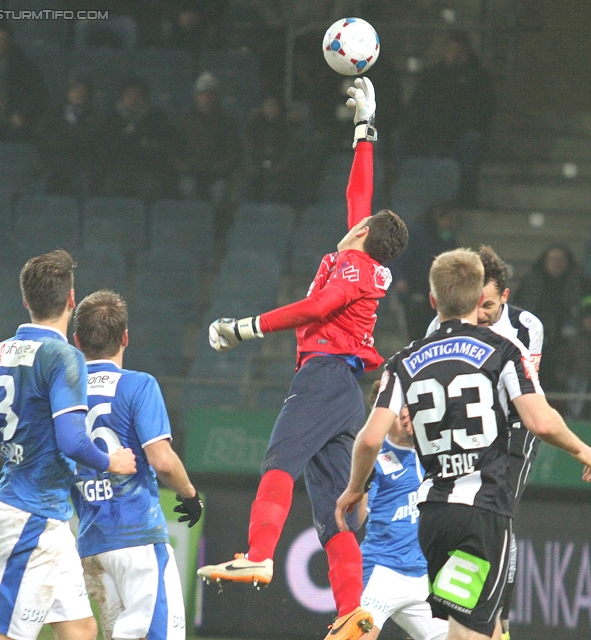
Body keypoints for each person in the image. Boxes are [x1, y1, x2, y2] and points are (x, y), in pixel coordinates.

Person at [196, 77, 409, 640]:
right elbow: (357, 195)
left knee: (279, 460)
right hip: (344, 392)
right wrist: (366, 132)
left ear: (363, 235)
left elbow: (321, 305)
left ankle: (260, 553)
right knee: (333, 511)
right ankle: (351, 613)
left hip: (322, 377)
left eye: (358, 222)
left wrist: (246, 327)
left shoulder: (355, 269)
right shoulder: (361, 257)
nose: (353, 218)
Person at [335, 248, 591, 640]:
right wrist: (580, 448)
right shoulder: (505, 350)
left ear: (432, 301)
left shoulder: (404, 359)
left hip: (434, 517)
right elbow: (540, 421)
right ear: (479, 299)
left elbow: (370, 437)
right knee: (472, 633)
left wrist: (354, 489)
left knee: (458, 631)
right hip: (482, 515)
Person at [0, 249, 136, 640]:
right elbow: (74, 441)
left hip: (47, 515)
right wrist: (112, 462)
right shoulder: (64, 357)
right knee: (9, 634)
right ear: (71, 299)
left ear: (26, 300)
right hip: (30, 516)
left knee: (80, 629)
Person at [425, 246, 544, 640]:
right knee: (468, 517)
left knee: (500, 513)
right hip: (468, 436)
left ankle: (498, 621)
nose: (482, 313)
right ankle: (474, 620)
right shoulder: (439, 327)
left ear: (504, 298)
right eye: (477, 303)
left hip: (514, 430)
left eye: (489, 305)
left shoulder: (527, 327)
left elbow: (525, 397)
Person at [71, 290, 203, 640]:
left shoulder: (63, 392)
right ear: (125, 337)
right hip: (136, 539)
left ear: (77, 341)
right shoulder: (139, 385)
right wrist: (190, 494)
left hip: (91, 544)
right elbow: (162, 460)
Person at [358, 382, 448, 640]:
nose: (406, 413)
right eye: (398, 408)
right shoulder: (374, 457)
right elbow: (356, 520)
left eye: (409, 405)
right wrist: (362, 482)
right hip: (381, 573)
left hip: (424, 578)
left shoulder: (435, 451)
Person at [402, 30, 495, 207]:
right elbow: (416, 108)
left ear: (467, 52)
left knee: (472, 142)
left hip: (460, 135)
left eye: (459, 50)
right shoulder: (432, 75)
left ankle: (464, 199)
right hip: (431, 134)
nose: (454, 55)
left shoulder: (479, 78)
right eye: (451, 50)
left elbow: (482, 113)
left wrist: (455, 128)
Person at [512, 243, 591, 392]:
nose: (555, 263)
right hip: (535, 339)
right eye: (552, 259)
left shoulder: (580, 282)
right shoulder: (531, 282)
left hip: (571, 339)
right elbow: (517, 308)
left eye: (560, 260)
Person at [391, 200, 459, 341]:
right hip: (414, 289)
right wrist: (399, 279)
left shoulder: (447, 237)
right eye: (448, 219)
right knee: (415, 332)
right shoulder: (417, 234)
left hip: (435, 292)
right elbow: (399, 257)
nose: (450, 224)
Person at [101, 78, 179, 200]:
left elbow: (160, 147)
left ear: (145, 98)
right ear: (122, 97)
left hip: (148, 170)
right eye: (129, 95)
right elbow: (110, 147)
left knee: (150, 189)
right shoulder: (112, 119)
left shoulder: (157, 119)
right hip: (118, 170)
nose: (133, 99)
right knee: (111, 188)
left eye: (138, 95)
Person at [176, 72, 242, 210]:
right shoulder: (185, 121)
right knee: (187, 188)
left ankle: (216, 228)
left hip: (218, 174)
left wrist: (219, 168)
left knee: (220, 193)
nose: (207, 98)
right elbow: (176, 149)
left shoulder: (226, 121)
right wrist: (186, 166)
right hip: (192, 172)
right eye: (203, 94)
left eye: (211, 94)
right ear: (196, 96)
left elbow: (233, 152)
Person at [0, 25, 47, 143]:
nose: (0, 44)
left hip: (15, 119)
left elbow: (37, 93)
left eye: (4, 41)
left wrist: (23, 114)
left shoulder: (23, 66)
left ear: (10, 43)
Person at [39, 77, 102, 197]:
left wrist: (70, 135)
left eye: (83, 92)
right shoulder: (52, 114)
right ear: (68, 92)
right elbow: (44, 137)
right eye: (76, 90)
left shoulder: (94, 117)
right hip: (55, 161)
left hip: (82, 164)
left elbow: (93, 141)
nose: (79, 94)